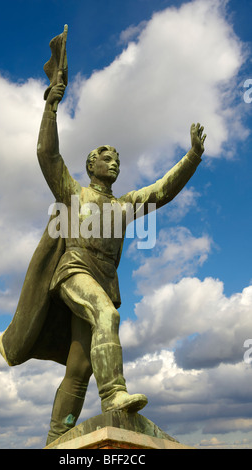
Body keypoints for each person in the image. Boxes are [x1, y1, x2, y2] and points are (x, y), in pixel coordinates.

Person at [35, 82, 206, 444]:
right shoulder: (73, 192)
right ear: (90, 165)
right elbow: (48, 155)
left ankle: (56, 434)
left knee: (80, 367)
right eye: (105, 158)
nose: (113, 163)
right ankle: (113, 393)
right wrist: (51, 107)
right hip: (74, 270)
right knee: (106, 316)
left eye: (117, 160)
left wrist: (192, 156)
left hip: (104, 279)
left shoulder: (123, 205)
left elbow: (162, 191)